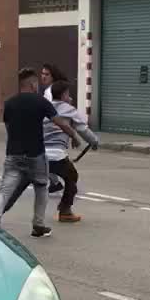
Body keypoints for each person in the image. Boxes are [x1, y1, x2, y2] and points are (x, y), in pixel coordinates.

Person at [0, 68, 80, 238]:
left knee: (6, 188)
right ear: (33, 84)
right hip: (35, 153)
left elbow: (8, 127)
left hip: (13, 154)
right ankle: (38, 225)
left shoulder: (10, 103)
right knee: (41, 187)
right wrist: (73, 136)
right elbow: (59, 122)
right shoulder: (41, 102)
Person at [44, 80, 99, 223]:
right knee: (72, 177)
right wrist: (94, 141)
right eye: (68, 94)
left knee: (24, 182)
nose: (70, 97)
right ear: (63, 95)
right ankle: (65, 210)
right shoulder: (68, 109)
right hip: (56, 155)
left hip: (38, 154)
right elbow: (82, 129)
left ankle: (0, 211)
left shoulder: (44, 107)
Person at [40, 64, 67, 191]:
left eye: (47, 74)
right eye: (42, 74)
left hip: (51, 129)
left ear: (53, 76)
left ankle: (56, 182)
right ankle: (55, 182)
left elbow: (52, 110)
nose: (43, 76)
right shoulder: (53, 89)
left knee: (44, 156)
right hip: (54, 128)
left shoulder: (50, 91)